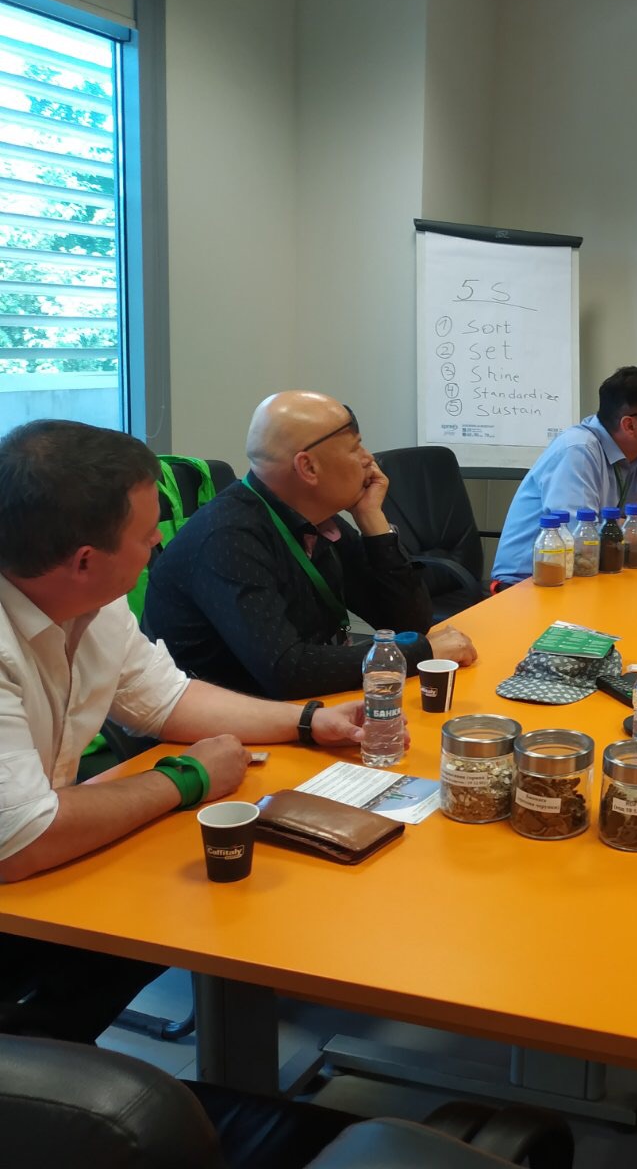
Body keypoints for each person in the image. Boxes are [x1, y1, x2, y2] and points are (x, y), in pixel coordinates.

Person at [0, 420, 370, 1041]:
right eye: (147, 536)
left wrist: (307, 721)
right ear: (84, 560)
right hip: (18, 883)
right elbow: (22, 839)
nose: (159, 545)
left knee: (172, 906)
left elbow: (166, 699)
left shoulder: (91, 601)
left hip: (33, 872)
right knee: (149, 924)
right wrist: (188, 777)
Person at [143, 392, 476, 699]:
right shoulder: (227, 538)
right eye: (355, 447)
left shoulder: (318, 522)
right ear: (308, 467)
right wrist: (420, 654)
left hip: (295, 706)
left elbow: (410, 623)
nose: (368, 459)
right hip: (220, 725)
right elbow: (287, 672)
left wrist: (372, 520)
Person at [491, 366, 637, 585]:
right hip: (528, 583)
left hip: (595, 574)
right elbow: (580, 542)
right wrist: (633, 528)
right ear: (629, 425)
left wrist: (624, 528)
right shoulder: (577, 450)